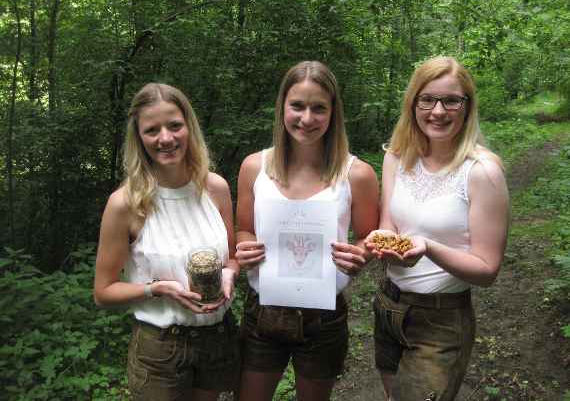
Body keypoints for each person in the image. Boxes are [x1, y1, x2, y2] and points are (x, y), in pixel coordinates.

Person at [365, 56, 509, 401]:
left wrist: (428, 247)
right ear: (413, 103)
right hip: (389, 305)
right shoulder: (397, 157)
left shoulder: (481, 172)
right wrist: (382, 244)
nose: (438, 111)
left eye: (451, 100)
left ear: (467, 106)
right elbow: (389, 226)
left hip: (441, 320)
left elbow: (487, 271)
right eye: (427, 99)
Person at [235, 60, 380, 401]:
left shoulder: (357, 174)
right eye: (297, 106)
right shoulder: (254, 167)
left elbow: (368, 238)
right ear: (282, 107)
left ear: (333, 113)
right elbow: (242, 229)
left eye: (319, 108)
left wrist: (360, 254)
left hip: (323, 314)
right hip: (263, 308)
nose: (307, 118)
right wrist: (245, 249)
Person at [93, 83, 240, 401]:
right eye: (152, 130)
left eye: (175, 126)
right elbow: (103, 292)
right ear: (139, 138)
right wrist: (154, 289)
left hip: (217, 337)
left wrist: (231, 272)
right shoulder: (125, 204)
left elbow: (231, 256)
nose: (166, 138)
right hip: (161, 348)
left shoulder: (215, 188)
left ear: (189, 126)